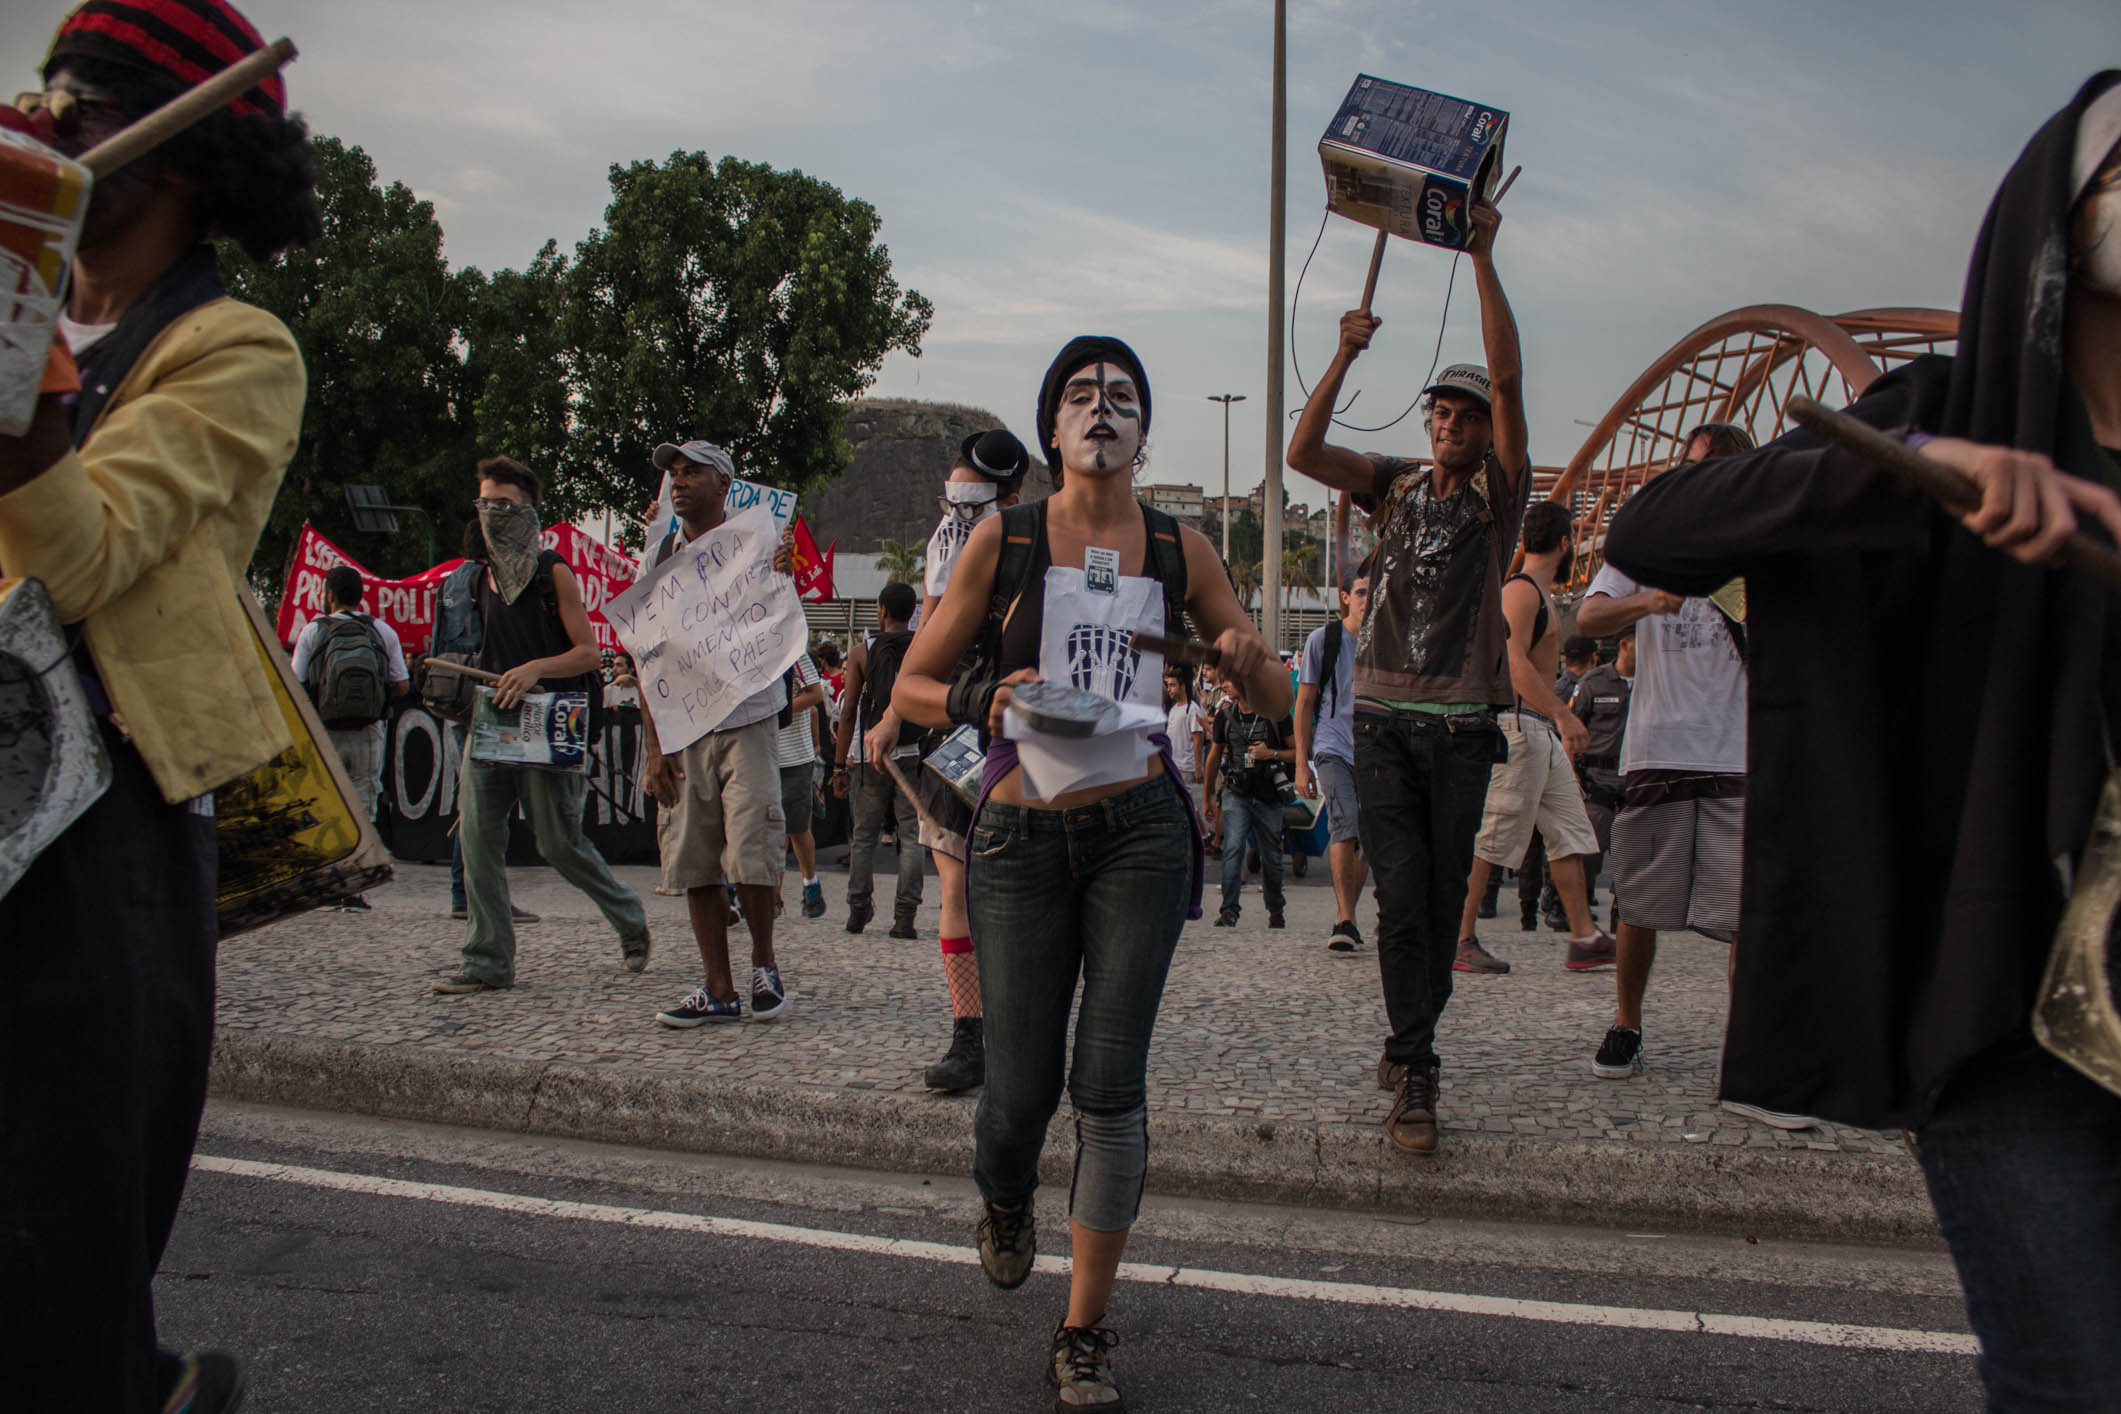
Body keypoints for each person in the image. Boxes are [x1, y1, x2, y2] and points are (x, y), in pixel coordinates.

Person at [1601, 76, 2121, 1408]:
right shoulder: (1950, 410)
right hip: (2017, 1015)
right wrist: (1913, 467)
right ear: (2060, 219)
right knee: (2075, 1376)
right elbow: (1654, 524)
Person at [0, 3, 319, 1406]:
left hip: (100, 832)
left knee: (53, 1256)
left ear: (182, 151)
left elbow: (74, 559)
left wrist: (16, 334)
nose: (46, 120)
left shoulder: (236, 348)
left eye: (83, 101)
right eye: (40, 95)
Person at [893, 335, 1286, 1410]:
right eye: (1079, 394)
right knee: (1018, 1091)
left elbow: (1277, 698)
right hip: (1021, 839)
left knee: (1109, 1087)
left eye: (1121, 395)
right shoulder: (1007, 538)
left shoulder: (1179, 548)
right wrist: (981, 699)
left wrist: (1251, 663)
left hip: (1141, 835)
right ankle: (1004, 1192)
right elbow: (913, 686)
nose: (1101, 408)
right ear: (1053, 427)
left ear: (1143, 431)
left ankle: (1082, 1329)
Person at [1285, 196, 1530, 1157]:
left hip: (1462, 727)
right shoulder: (1391, 485)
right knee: (1400, 902)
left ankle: (1409, 1042)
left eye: (1467, 417)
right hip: (1382, 720)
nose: (1452, 426)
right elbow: (1303, 453)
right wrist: (1342, 354)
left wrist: (1480, 259)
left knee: (1436, 902)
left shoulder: (1496, 498)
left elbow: (1507, 379)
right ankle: (1416, 1067)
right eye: (1442, 413)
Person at [1579, 425, 1778, 1118]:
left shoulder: (1762, 552)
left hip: (1736, 752)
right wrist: (1649, 601)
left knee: (1745, 913)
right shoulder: (1648, 548)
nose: (1700, 480)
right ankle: (1626, 1025)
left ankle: (1745, 1046)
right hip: (1658, 749)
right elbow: (1589, 616)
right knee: (1637, 903)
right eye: (1692, 467)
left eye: (1716, 469)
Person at [433, 457, 653, 994]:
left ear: (531, 512)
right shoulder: (476, 578)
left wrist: (536, 669)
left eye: (505, 505)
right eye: (485, 504)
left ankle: (629, 918)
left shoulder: (553, 572)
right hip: (492, 721)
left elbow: (589, 653)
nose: (493, 515)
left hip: (550, 722)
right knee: (477, 841)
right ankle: (487, 961)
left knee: (558, 843)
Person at [633, 439, 794, 1025]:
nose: (678, 481)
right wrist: (654, 747)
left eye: (691, 472)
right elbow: (646, 657)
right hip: (682, 729)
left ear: (724, 483)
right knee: (693, 857)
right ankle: (718, 989)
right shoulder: (657, 558)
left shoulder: (760, 546)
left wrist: (786, 575)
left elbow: (782, 624)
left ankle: (764, 964)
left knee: (752, 848)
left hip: (747, 719)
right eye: (673, 473)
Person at [904, 429, 1032, 1091]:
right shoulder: (942, 542)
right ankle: (969, 1032)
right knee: (953, 885)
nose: (957, 509)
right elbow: (928, 629)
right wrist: (893, 712)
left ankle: (1024, 1026)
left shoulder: (1036, 542)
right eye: (952, 495)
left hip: (1021, 734)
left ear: (1008, 496)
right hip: (953, 730)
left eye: (972, 497)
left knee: (1019, 887)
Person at [1452, 502, 1614, 974]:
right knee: (1494, 835)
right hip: (1520, 726)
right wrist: (1564, 715)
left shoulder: (1536, 592)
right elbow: (1514, 663)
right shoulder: (1521, 592)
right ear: (1565, 543)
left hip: (1538, 729)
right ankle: (1459, 938)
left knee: (1569, 830)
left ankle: (1584, 936)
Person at [289, 564, 410, 908]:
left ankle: (326, 886)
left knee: (326, 804)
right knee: (363, 807)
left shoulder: (313, 631)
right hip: (368, 732)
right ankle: (353, 890)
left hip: (325, 732)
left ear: (329, 595)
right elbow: (402, 685)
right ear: (361, 596)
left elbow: (296, 684)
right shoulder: (381, 631)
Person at [832, 581, 926, 937]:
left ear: (881, 610)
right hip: (913, 752)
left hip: (870, 755)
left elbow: (848, 713)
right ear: (912, 612)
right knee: (911, 836)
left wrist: (839, 766)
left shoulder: (861, 652)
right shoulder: (923, 648)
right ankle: (905, 916)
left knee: (863, 836)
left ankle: (858, 909)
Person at [1295, 567, 1373, 951]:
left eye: (1373, 593)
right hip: (1332, 747)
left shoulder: (1384, 642)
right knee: (1346, 821)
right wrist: (1301, 763)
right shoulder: (1323, 641)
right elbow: (1304, 703)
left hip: (1374, 751)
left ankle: (1347, 916)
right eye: (1361, 592)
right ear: (1344, 596)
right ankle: (1345, 919)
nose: (1367, 601)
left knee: (1368, 836)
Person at [1204, 674, 1295, 928]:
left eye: (1229, 680)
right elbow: (1213, 757)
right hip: (1237, 792)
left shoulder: (1276, 714)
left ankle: (1275, 908)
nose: (1223, 684)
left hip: (1269, 796)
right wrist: (1207, 795)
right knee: (1233, 848)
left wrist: (1270, 753)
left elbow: (1299, 752)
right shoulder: (1224, 716)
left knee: (1272, 858)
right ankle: (1229, 910)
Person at [1567, 626, 1633, 933]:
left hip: (1637, 779)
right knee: (1590, 851)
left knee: (1634, 855)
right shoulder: (1593, 682)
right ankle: (1579, 912)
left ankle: (1625, 915)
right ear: (1625, 644)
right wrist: (1572, 775)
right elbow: (1570, 727)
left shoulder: (1657, 682)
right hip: (1598, 778)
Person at [776, 648, 828, 921]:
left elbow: (815, 694)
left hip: (794, 757)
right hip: (758, 754)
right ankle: (772, 896)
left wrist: (778, 712)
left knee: (796, 827)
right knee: (768, 829)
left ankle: (810, 883)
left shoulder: (793, 651)